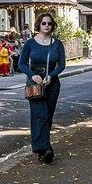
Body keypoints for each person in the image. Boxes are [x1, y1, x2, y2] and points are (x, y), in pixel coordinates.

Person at [18, 11, 67, 163]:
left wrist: (51, 75)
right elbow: (21, 63)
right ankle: (46, 148)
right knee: (40, 114)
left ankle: (40, 149)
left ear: (53, 26)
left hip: (52, 84)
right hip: (35, 83)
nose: (46, 26)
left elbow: (62, 65)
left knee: (48, 115)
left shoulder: (57, 44)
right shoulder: (30, 43)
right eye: (44, 23)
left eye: (49, 23)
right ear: (38, 25)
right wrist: (32, 75)